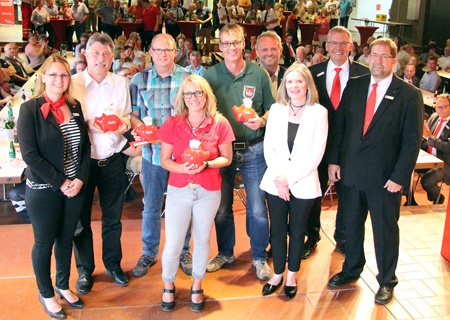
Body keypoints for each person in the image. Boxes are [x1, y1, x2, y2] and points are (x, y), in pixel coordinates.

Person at [327, 38, 423, 305]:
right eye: (374, 55)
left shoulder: (408, 95)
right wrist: (334, 161)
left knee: (385, 231)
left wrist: (400, 177)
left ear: (394, 60)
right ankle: (351, 269)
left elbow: (412, 140)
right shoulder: (355, 86)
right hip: (352, 173)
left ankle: (386, 281)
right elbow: (340, 128)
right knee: (351, 226)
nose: (378, 61)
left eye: (385, 56)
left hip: (385, 179)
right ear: (367, 57)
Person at [17, 54, 91, 319]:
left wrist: (80, 179)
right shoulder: (30, 110)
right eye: (54, 75)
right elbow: (30, 155)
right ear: (43, 77)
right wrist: (61, 182)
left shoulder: (76, 106)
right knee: (44, 243)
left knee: (65, 240)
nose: (59, 80)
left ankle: (63, 284)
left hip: (74, 189)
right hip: (45, 190)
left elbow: (85, 149)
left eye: (64, 75)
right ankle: (46, 292)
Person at [203, 23, 275, 280]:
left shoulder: (259, 74)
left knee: (257, 207)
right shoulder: (209, 76)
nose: (231, 48)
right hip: (221, 152)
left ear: (244, 44)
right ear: (220, 47)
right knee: (222, 208)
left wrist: (262, 120)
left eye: (236, 42)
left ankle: (258, 256)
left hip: (254, 149)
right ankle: (225, 253)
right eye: (225, 43)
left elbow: (272, 109)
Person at [158, 75, 234, 312]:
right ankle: (168, 284)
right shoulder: (173, 123)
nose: (194, 98)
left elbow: (227, 158)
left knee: (202, 239)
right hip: (179, 189)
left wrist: (207, 164)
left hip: (208, 191)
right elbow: (164, 160)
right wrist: (181, 168)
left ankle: (197, 283)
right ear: (183, 98)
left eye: (198, 93)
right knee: (173, 243)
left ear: (206, 95)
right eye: (189, 94)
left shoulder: (220, 123)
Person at [260, 63, 327, 299]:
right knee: (277, 229)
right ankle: (278, 273)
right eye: (289, 82)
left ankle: (292, 275)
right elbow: (269, 147)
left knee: (297, 231)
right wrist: (280, 179)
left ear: (307, 84)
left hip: (304, 183)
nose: (294, 86)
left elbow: (316, 155)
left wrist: (289, 179)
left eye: (299, 81)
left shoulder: (319, 112)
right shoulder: (276, 110)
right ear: (284, 85)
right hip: (274, 182)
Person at [72, 32, 132, 294]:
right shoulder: (72, 83)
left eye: (106, 54)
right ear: (85, 54)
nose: (101, 58)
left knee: (112, 219)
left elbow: (128, 116)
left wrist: (124, 124)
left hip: (113, 159)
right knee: (80, 220)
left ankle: (113, 264)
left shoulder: (121, 83)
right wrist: (85, 125)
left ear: (112, 57)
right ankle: (84, 269)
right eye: (95, 53)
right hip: (81, 163)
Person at [130, 33, 192, 278]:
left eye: (168, 50)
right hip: (152, 156)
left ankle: (184, 250)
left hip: (182, 157)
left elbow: (197, 114)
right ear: (151, 52)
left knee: (183, 206)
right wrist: (144, 130)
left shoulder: (189, 79)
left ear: (175, 51)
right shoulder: (139, 79)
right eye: (158, 50)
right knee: (151, 207)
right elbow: (133, 115)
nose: (163, 54)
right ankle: (149, 251)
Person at [305, 26, 369, 259]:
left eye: (344, 43)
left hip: (351, 149)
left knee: (349, 197)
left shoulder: (365, 74)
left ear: (351, 47)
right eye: (334, 43)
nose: (338, 48)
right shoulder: (312, 73)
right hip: (318, 147)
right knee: (312, 194)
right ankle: (311, 237)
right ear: (327, 46)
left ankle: (343, 237)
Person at [420, 94, 450, 204]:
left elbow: (448, 147)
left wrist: (429, 137)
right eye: (437, 107)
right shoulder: (434, 117)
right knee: (407, 170)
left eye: (443, 107)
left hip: (445, 162)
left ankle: (438, 199)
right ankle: (410, 200)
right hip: (427, 157)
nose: (439, 110)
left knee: (427, 181)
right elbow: (424, 137)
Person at [256, 31, 285, 97]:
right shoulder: (248, 78)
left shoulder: (289, 77)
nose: (269, 53)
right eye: (265, 49)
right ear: (257, 52)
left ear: (280, 51)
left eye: (273, 49)